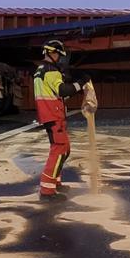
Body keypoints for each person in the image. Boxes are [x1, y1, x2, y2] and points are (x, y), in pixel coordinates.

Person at [33, 39, 89, 202]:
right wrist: (80, 83)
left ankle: (55, 182)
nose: (61, 59)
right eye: (59, 54)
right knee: (59, 150)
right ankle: (47, 191)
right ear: (52, 53)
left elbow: (56, 91)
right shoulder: (50, 70)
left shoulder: (40, 70)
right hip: (53, 115)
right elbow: (62, 90)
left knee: (64, 149)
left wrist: (73, 86)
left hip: (51, 114)